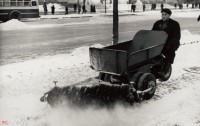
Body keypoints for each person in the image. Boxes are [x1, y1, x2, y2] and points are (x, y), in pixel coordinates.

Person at [152, 8, 181, 75]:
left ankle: (166, 67)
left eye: (165, 14)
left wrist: (169, 44)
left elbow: (176, 36)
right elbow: (152, 33)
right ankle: (156, 66)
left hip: (170, 43)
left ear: (169, 15)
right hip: (159, 43)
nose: (163, 16)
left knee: (170, 52)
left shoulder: (175, 24)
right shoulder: (157, 23)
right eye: (162, 14)